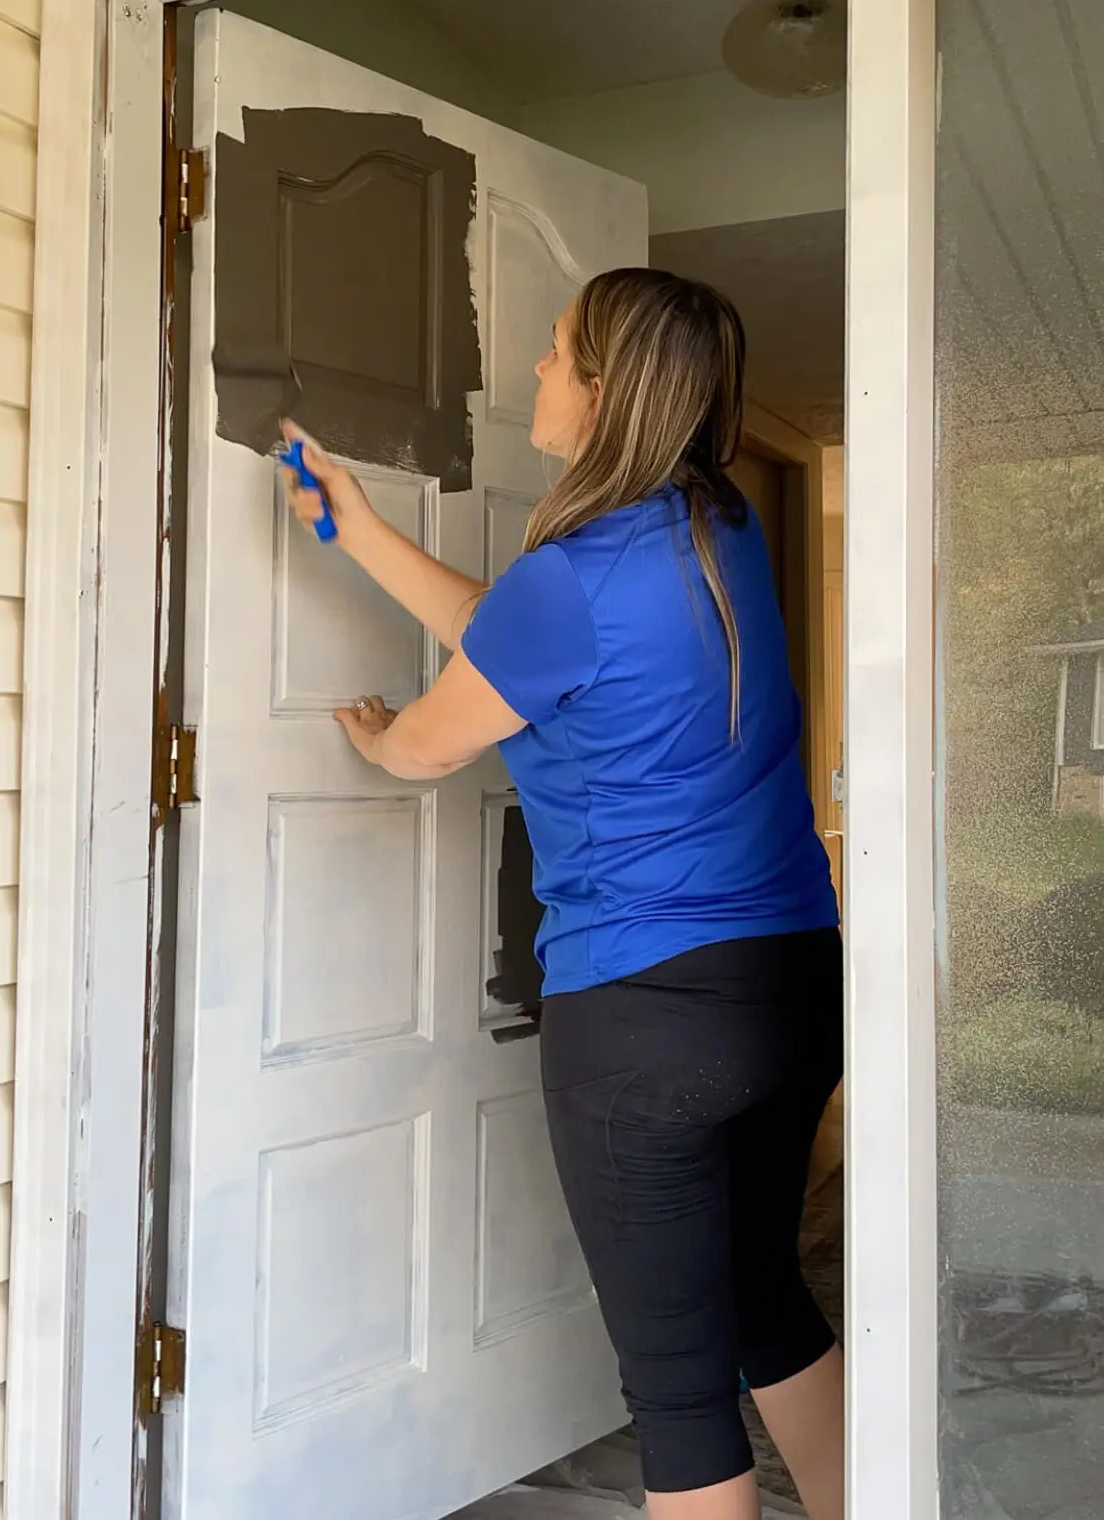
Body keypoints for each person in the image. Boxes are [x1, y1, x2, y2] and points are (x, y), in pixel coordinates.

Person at [280, 267, 844, 1520]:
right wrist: (361, 533)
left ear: (606, 393)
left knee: (680, 1395)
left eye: (553, 354)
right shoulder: (719, 530)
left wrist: (380, 741)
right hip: (794, 983)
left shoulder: (575, 579)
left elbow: (436, 738)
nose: (535, 372)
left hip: (646, 1017)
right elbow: (516, 634)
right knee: (762, 1298)